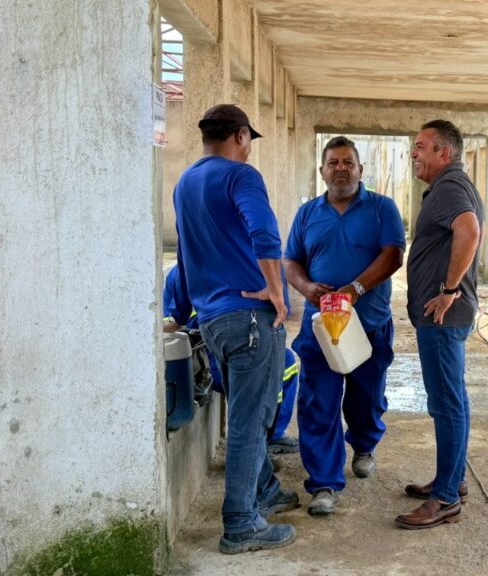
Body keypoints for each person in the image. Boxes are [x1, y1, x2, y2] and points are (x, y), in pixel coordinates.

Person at [172, 104, 298, 554]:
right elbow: (265, 232)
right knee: (249, 422)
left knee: (247, 413)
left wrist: (184, 309)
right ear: (241, 136)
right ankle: (241, 524)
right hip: (249, 318)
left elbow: (186, 256)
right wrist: (276, 290)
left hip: (212, 321)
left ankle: (261, 490)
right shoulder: (241, 176)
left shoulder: (185, 182)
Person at [284, 136, 405, 516]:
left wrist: (355, 289)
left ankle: (365, 442)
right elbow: (291, 262)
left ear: (360, 170)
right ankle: (323, 482)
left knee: (365, 398)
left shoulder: (382, 207)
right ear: (322, 171)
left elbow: (393, 255)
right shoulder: (307, 215)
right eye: (333, 162)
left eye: (348, 162)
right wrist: (306, 288)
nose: (341, 168)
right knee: (318, 402)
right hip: (320, 328)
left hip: (367, 325)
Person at [396, 120, 484, 530]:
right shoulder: (452, 185)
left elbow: (469, 231)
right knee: (453, 401)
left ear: (443, 153)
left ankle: (445, 498)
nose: (415, 153)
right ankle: (452, 480)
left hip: (442, 316)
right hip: (442, 316)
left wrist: (449, 289)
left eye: (421, 146)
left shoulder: (450, 187)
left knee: (446, 404)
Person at [162, 264, 300, 452]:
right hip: (208, 360)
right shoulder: (190, 271)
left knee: (285, 362)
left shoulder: (186, 267)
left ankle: (269, 437)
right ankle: (262, 442)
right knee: (274, 366)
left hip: (223, 352)